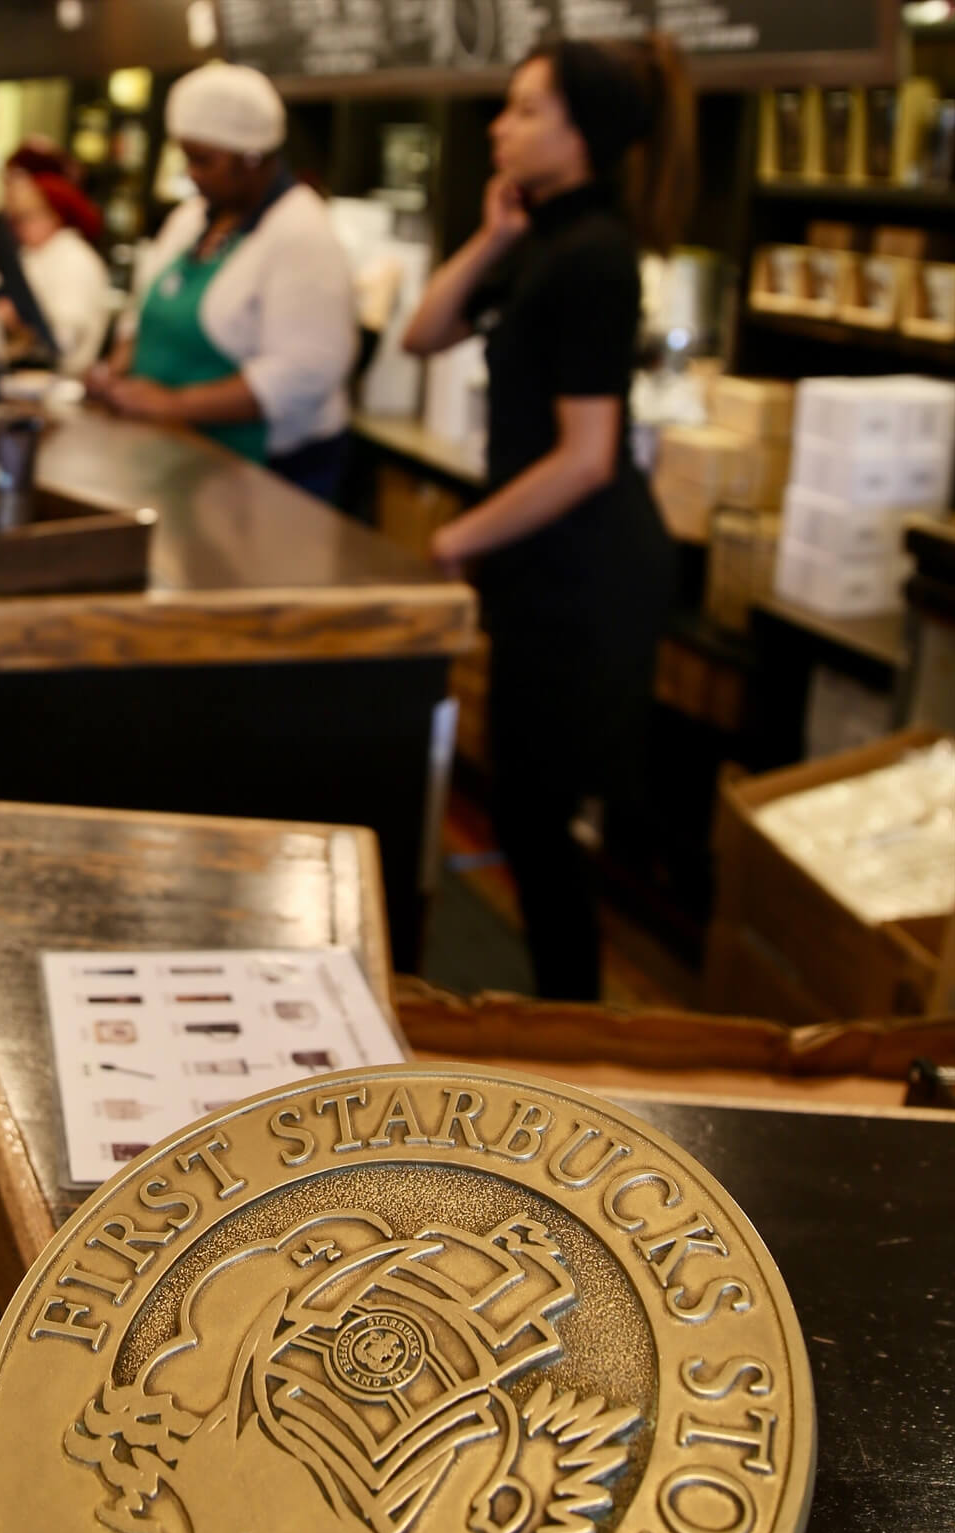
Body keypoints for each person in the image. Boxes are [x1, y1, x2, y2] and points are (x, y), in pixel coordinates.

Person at [403, 36, 694, 1001]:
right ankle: (564, 1023)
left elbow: (587, 458)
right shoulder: (544, 237)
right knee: (529, 815)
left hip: (586, 574)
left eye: (526, 109)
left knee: (539, 818)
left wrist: (456, 537)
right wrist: (490, 235)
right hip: (545, 565)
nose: (500, 124)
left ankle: (574, 1036)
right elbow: (423, 332)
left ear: (581, 134)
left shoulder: (599, 258)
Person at [88, 64, 356, 500]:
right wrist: (113, 374)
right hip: (179, 459)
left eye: (203, 160)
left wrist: (171, 405)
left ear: (251, 158)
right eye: (187, 157)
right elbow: (144, 314)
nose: (191, 173)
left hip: (266, 478)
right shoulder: (190, 218)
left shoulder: (303, 234)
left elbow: (304, 372)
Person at [0, 142, 111, 377]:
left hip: (62, 381)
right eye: (16, 220)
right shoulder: (33, 254)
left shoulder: (74, 259)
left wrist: (17, 324)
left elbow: (64, 341)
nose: (20, 228)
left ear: (56, 214)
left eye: (28, 217)